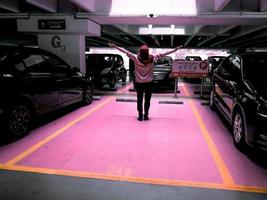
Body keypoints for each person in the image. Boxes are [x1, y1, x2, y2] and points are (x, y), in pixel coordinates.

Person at [108, 42, 182, 121]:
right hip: (149, 83)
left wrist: (115, 46)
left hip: (139, 83)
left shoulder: (135, 57)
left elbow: (124, 51)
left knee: (139, 99)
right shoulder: (152, 58)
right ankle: (146, 115)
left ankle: (140, 116)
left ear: (140, 52)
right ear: (147, 52)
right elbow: (164, 53)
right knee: (147, 100)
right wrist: (175, 49)